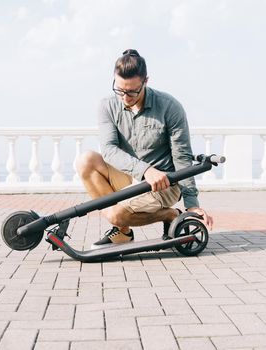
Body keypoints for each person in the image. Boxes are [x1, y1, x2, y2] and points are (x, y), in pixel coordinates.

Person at [76, 49, 213, 249]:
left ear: (146, 81)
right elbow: (109, 150)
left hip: (164, 184)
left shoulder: (169, 107)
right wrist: (145, 171)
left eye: (132, 91)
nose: (125, 97)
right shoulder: (107, 105)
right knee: (85, 160)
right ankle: (123, 232)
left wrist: (192, 204)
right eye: (120, 89)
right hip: (131, 176)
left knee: (116, 215)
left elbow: (182, 157)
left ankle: (171, 214)